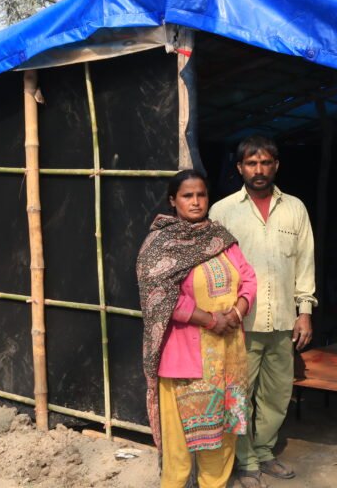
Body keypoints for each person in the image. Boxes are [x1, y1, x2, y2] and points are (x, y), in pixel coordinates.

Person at [137, 170, 258, 488]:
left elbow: (248, 277)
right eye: (187, 196)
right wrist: (209, 319)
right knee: (178, 446)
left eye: (201, 195)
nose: (195, 201)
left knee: (222, 436)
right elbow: (159, 296)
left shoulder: (220, 238)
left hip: (227, 356)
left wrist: (237, 312)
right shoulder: (160, 245)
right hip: (184, 359)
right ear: (173, 200)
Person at [209, 135, 316, 488]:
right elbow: (213, 268)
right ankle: (246, 461)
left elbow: (304, 263)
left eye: (266, 162)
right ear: (240, 168)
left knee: (277, 394)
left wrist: (304, 311)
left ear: (276, 166)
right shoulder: (222, 211)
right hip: (240, 323)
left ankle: (265, 451)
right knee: (240, 395)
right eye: (252, 163)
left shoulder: (295, 209)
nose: (259, 170)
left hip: (283, 320)